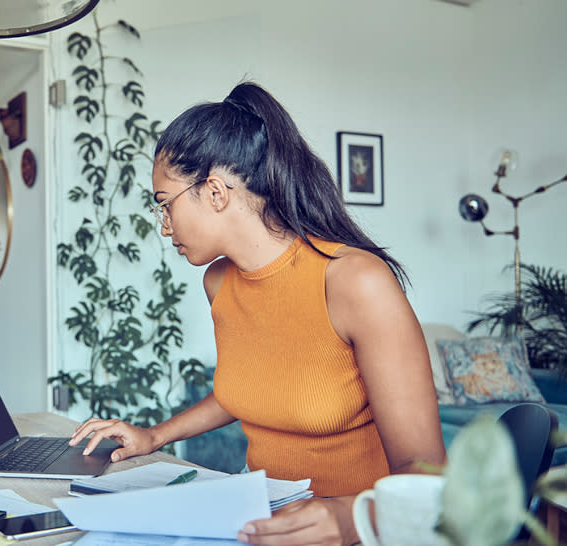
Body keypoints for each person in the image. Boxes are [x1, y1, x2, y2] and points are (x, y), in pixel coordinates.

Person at [69, 81, 446, 545]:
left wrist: (351, 518)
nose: (164, 227)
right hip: (259, 519)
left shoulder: (355, 282)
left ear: (214, 192)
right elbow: (245, 390)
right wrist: (153, 436)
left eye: (165, 204)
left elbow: (426, 473)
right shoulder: (219, 282)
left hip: (361, 530)